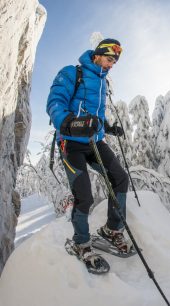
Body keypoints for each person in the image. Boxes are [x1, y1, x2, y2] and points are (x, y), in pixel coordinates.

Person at [46, 38, 130, 262]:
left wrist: (108, 127)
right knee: (84, 195)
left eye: (115, 61)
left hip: (95, 142)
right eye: (110, 58)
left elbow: (95, 115)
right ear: (98, 55)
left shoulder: (104, 83)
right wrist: (72, 123)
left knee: (120, 179)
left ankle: (112, 229)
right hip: (72, 143)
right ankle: (81, 242)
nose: (112, 64)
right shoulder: (72, 73)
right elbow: (55, 103)